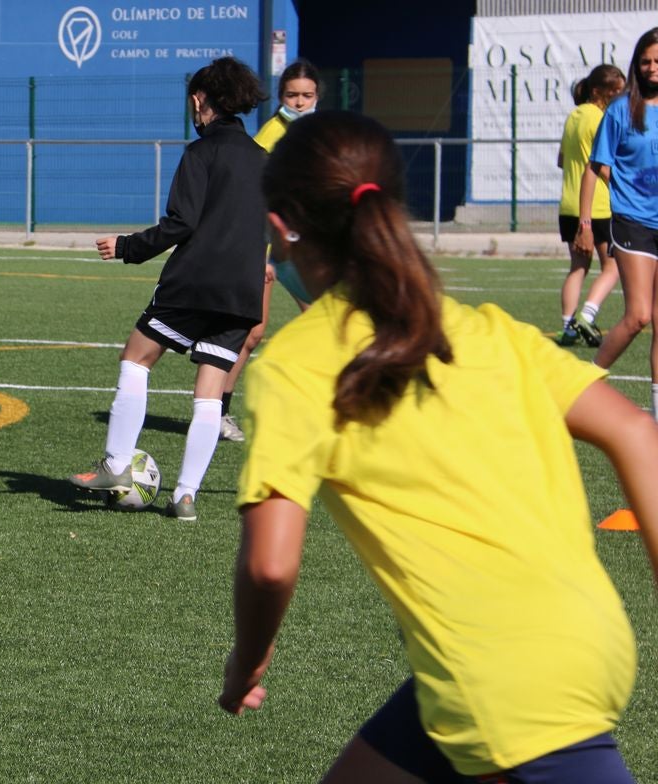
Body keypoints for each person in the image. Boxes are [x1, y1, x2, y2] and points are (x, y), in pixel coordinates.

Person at [218, 110, 658, 782]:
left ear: (281, 228)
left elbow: (270, 566)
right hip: (575, 639)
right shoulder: (484, 328)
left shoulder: (295, 364)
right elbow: (635, 431)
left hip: (501, 680)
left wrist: (246, 660)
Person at [68, 56, 269, 522]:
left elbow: (182, 222)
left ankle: (116, 465)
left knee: (136, 358)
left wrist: (127, 247)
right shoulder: (264, 161)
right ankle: (186, 496)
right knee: (209, 394)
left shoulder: (200, 153)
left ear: (200, 101)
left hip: (192, 284)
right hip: (241, 292)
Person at [219, 59, 321, 442]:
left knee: (321, 324)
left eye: (306, 95)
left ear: (317, 97)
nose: (299, 102)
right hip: (267, 244)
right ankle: (219, 411)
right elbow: (255, 198)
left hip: (305, 247)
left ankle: (317, 408)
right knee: (252, 332)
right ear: (281, 97)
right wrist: (261, 256)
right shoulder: (271, 134)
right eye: (292, 95)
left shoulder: (321, 133)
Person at [577, 29, 658, 420]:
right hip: (633, 222)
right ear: (636, 64)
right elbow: (596, 168)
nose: (653, 68)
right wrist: (586, 223)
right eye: (646, 61)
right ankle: (580, 385)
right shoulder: (621, 110)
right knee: (638, 315)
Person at [555, 64, 624, 347]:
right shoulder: (601, 118)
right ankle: (587, 313)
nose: (620, 96)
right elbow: (602, 166)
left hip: (568, 205)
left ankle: (568, 328)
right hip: (596, 206)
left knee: (578, 267)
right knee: (614, 266)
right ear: (599, 92)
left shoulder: (573, 116)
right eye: (615, 92)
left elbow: (561, 160)